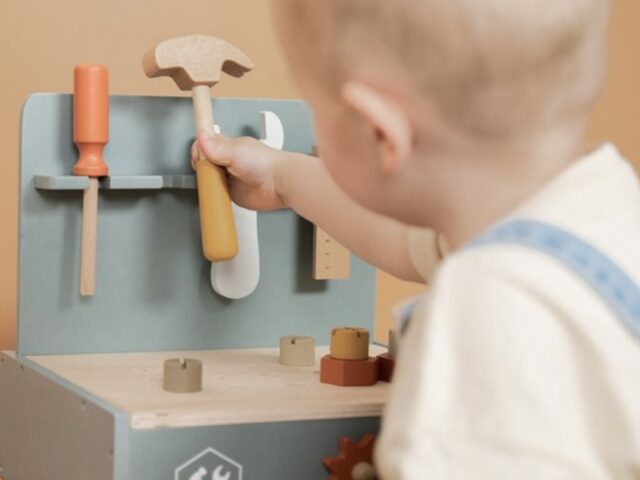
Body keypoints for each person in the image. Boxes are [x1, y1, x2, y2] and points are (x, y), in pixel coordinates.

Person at [193, 0, 640, 477]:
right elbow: (404, 239)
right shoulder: (597, 212)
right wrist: (283, 177)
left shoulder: (494, 310)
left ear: (380, 132)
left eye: (316, 106)